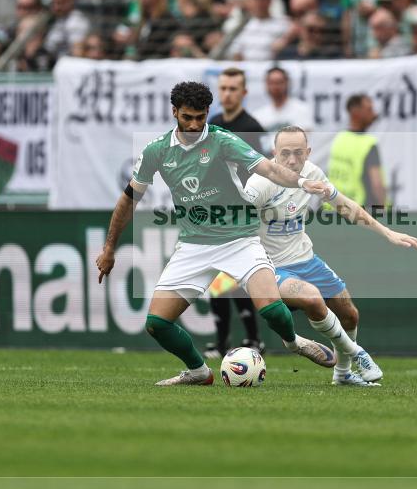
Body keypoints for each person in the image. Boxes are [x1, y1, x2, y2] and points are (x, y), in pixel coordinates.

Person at [95, 81, 337, 386]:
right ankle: (198, 371)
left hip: (240, 239)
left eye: (200, 116)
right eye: (187, 117)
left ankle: (293, 342)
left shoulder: (223, 141)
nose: (195, 124)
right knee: (157, 323)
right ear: (175, 113)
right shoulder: (156, 151)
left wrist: (301, 182)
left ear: (208, 112)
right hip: (194, 245)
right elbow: (129, 199)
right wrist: (109, 249)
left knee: (273, 311)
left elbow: (269, 169)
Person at [244, 126, 417, 385]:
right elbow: (234, 219)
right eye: (285, 153)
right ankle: (358, 353)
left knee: (350, 313)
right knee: (312, 298)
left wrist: (387, 233)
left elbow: (345, 205)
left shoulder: (312, 174)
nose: (292, 160)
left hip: (306, 260)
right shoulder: (260, 183)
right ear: (274, 153)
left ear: (308, 152)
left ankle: (342, 374)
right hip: (271, 267)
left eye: (298, 153)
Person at [202, 68, 267, 358]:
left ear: (244, 92)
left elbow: (258, 171)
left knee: (237, 277)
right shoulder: (213, 123)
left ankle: (252, 339)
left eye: (233, 88)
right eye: (224, 88)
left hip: (243, 213)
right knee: (218, 279)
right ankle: (225, 340)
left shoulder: (251, 126)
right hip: (218, 212)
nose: (227, 94)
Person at [328, 94, 388, 210]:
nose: (374, 114)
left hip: (334, 209)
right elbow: (377, 185)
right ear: (356, 112)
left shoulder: (339, 139)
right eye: (369, 109)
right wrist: (385, 211)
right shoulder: (368, 144)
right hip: (360, 212)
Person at [253, 67, 315, 138]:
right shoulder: (259, 115)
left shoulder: (302, 110)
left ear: (287, 83)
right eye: (271, 83)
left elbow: (305, 139)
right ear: (266, 85)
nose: (275, 87)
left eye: (279, 82)